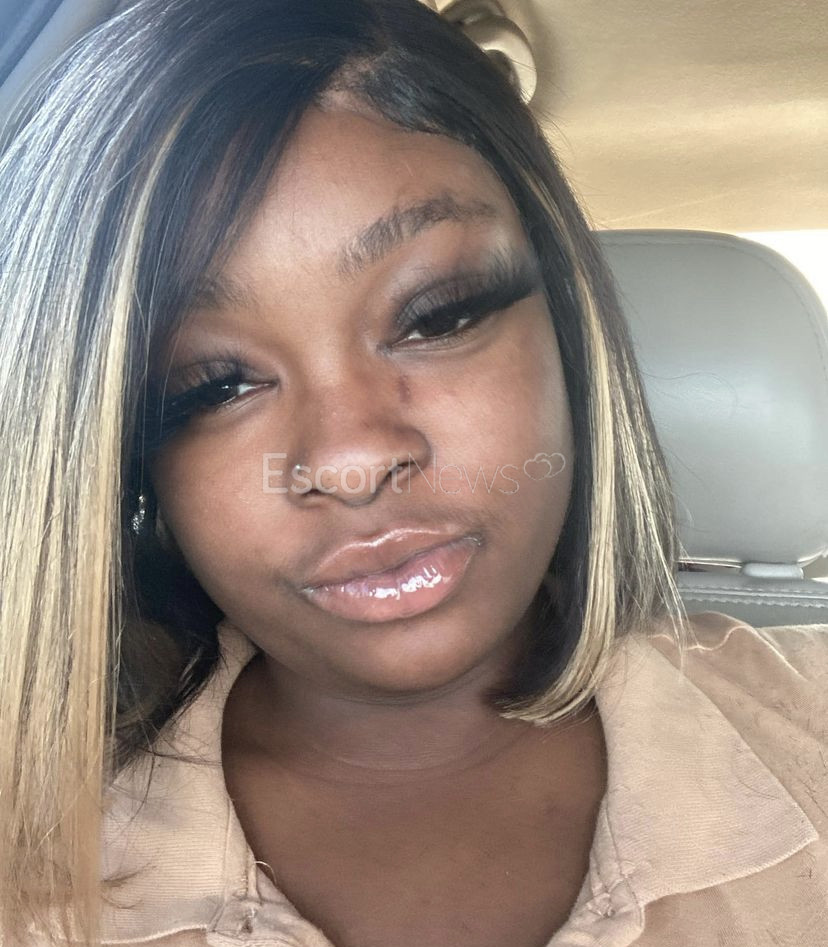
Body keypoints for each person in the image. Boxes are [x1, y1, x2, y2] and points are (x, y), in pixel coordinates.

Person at [0, 0, 825, 945]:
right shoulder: (33, 864)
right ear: (122, 457)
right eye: (212, 385)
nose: (351, 461)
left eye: (438, 314)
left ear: (567, 322)